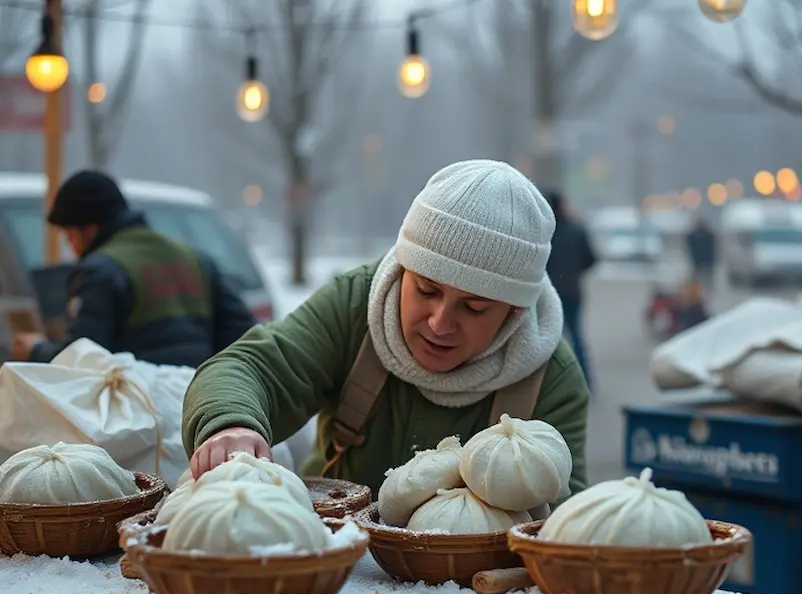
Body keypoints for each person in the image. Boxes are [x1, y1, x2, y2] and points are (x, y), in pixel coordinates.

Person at [183, 159, 590, 497]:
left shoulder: (550, 379)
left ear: (514, 313)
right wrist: (230, 424)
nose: (440, 322)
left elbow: (560, 520)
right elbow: (251, 368)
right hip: (333, 560)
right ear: (401, 269)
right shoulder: (356, 305)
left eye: (475, 307)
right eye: (427, 289)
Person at [9, 170, 256, 367]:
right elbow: (243, 337)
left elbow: (82, 360)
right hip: (199, 407)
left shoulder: (100, 270)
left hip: (136, 413)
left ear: (91, 229)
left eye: (70, 235)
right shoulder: (196, 259)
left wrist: (37, 350)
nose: (70, 245)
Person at [544, 190, 597, 390]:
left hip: (549, 293)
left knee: (551, 339)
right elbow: (592, 259)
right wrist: (574, 272)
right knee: (576, 336)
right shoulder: (576, 230)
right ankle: (585, 380)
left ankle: (553, 384)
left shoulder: (545, 233)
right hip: (573, 292)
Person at [685, 216, 717, 291]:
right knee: (697, 279)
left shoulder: (709, 235)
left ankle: (707, 290)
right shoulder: (694, 235)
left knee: (707, 279)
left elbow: (713, 248)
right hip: (697, 261)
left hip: (707, 261)